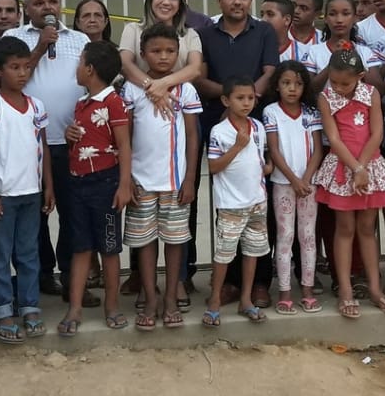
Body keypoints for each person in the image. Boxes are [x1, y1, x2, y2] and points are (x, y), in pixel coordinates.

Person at [5, 0, 96, 307]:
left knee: (75, 215)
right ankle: (41, 275)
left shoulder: (80, 38)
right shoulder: (13, 38)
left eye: (52, 2)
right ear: (26, 7)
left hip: (73, 142)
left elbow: (91, 85)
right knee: (34, 216)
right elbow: (14, 79)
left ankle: (73, 278)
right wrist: (41, 47)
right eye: (40, 3)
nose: (48, 8)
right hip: (29, 143)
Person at [194, 0, 278, 306]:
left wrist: (247, 100)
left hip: (256, 124)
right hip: (218, 124)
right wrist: (231, 101)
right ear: (220, 0)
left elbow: (270, 71)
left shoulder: (264, 31)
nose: (237, 1)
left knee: (259, 202)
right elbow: (200, 79)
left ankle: (260, 282)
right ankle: (228, 282)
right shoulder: (204, 34)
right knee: (227, 205)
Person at [121, 24, 202, 330]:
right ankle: (150, 296)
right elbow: (125, 137)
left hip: (175, 182)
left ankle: (170, 297)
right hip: (141, 181)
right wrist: (127, 178)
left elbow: (193, 136)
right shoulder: (132, 89)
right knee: (144, 242)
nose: (164, 57)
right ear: (143, 54)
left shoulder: (186, 90)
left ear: (179, 53)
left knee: (175, 241)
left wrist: (190, 178)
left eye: (170, 51)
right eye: (156, 51)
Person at [0, 37, 54, 344]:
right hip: (3, 194)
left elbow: (44, 147)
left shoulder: (36, 106)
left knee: (28, 253)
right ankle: (2, 311)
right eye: (14, 67)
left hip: (31, 192)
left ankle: (30, 306)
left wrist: (48, 185)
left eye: (26, 67)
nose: (22, 73)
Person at [312, 50, 385, 319]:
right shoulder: (326, 98)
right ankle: (346, 290)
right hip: (343, 168)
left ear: (360, 76)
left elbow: (377, 133)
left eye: (345, 83)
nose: (339, 87)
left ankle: (375, 287)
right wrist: (355, 168)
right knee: (345, 228)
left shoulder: (371, 94)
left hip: (369, 167)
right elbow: (334, 138)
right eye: (334, 82)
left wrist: (363, 168)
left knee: (367, 229)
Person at [58, 41, 133, 336]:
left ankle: (111, 306)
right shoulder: (81, 103)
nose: (76, 68)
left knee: (109, 248)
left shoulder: (114, 102)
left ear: (89, 69)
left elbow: (124, 145)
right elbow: (84, 139)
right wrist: (70, 136)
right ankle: (74, 308)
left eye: (80, 62)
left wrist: (124, 185)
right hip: (78, 183)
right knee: (81, 248)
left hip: (106, 184)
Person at [203, 76, 273, 326]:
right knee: (224, 255)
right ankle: (214, 302)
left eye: (250, 98)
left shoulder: (258, 127)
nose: (246, 103)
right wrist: (236, 146)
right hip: (231, 204)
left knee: (252, 253)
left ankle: (246, 299)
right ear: (226, 100)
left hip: (257, 201)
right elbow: (213, 166)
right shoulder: (219, 131)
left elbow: (260, 158)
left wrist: (267, 167)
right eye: (240, 98)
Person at [262, 60, 323, 316]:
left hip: (309, 185)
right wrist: (294, 180)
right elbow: (274, 151)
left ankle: (307, 291)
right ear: (277, 85)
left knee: (308, 237)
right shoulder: (271, 112)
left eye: (298, 83)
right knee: (285, 236)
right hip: (283, 184)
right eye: (286, 83)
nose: (292, 88)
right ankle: (285, 292)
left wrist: (306, 179)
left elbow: (318, 149)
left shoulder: (311, 112)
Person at [261, 0, 311, 65]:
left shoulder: (304, 52)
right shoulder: (252, 48)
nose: (263, 19)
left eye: (270, 14)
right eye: (262, 15)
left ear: (287, 20)